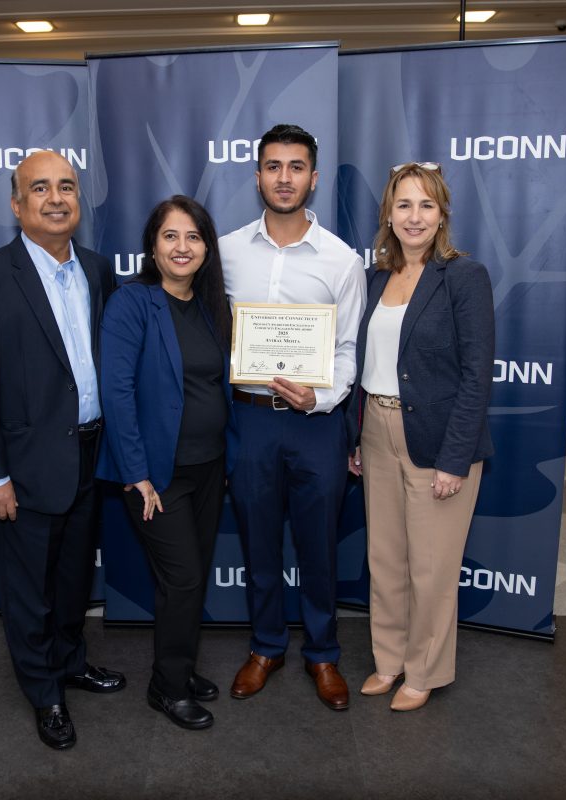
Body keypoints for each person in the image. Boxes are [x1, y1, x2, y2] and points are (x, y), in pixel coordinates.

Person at [0, 150, 124, 751]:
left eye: (67, 187)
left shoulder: (98, 271)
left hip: (90, 454)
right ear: (17, 205)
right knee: (28, 589)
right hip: (22, 468)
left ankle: (71, 660)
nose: (56, 198)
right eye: (40, 188)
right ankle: (44, 691)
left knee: (73, 579)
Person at [219, 124, 366, 711]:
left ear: (314, 176)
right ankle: (265, 646)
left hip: (317, 424)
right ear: (257, 175)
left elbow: (350, 350)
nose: (285, 178)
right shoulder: (224, 251)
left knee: (319, 548)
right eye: (273, 166)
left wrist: (321, 399)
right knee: (258, 543)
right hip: (249, 419)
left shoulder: (341, 259)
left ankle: (324, 654)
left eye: (296, 166)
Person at [345, 161, 495, 711]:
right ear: (388, 212)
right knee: (384, 559)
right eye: (403, 204)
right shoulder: (375, 278)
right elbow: (367, 364)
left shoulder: (462, 276)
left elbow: (478, 375)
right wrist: (357, 437)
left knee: (430, 568)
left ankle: (424, 671)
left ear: (442, 214)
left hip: (439, 439)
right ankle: (388, 661)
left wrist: (456, 459)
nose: (414, 216)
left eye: (425, 205)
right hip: (377, 431)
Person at [96, 195, 234, 730]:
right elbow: (118, 392)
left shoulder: (208, 304)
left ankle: (177, 666)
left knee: (189, 579)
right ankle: (169, 688)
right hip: (155, 475)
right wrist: (136, 475)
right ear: (152, 246)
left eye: (194, 237)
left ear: (206, 247)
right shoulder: (132, 304)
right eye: (170, 236)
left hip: (208, 466)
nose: (183, 247)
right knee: (182, 579)